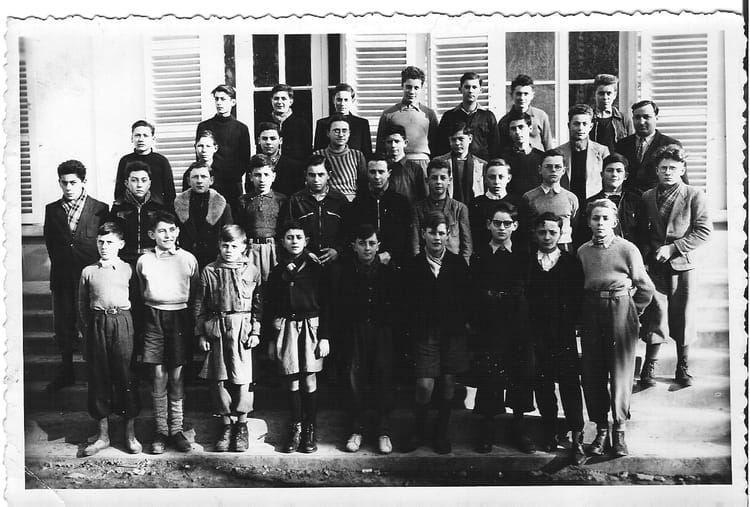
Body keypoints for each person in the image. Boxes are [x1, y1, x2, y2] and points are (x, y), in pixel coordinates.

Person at [577, 199, 655, 458]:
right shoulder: (583, 251)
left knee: (620, 372)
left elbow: (646, 287)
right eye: (595, 218)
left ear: (614, 221)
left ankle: (619, 431)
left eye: (605, 218)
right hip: (591, 311)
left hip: (620, 309)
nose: (600, 223)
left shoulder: (627, 248)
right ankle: (601, 430)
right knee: (592, 372)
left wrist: (632, 312)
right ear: (589, 222)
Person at [637, 145, 712, 388]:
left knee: (682, 315)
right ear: (656, 170)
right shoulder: (648, 197)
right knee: (655, 314)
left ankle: (683, 366)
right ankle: (650, 365)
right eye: (663, 168)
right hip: (655, 266)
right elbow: (643, 232)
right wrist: (647, 256)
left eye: (672, 168)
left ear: (682, 169)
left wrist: (672, 248)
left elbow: (704, 231)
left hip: (683, 265)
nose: (668, 172)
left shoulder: (694, 195)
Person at [470, 202, 535, 454]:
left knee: (520, 375)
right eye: (497, 223)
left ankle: (518, 427)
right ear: (489, 225)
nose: (501, 228)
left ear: (515, 226)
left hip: (517, 324)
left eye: (507, 223)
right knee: (490, 377)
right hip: (490, 326)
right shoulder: (479, 255)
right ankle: (487, 429)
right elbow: (474, 290)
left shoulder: (523, 254)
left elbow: (525, 288)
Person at [403, 211, 471, 454]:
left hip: (452, 334)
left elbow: (467, 300)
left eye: (441, 233)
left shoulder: (457, 264)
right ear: (423, 234)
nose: (437, 238)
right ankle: (418, 430)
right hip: (425, 335)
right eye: (432, 232)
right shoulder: (413, 266)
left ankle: (441, 432)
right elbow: (405, 304)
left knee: (449, 385)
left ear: (448, 235)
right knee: (424, 386)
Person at [264, 221, 331, 453]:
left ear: (306, 241)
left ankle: (310, 429)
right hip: (287, 327)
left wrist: (324, 337)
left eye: (299, 237)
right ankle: (296, 427)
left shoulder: (316, 269)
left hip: (311, 327)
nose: (294, 241)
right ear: (282, 241)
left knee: (309, 379)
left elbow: (327, 305)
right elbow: (270, 307)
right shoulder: (277, 272)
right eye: (289, 237)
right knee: (292, 378)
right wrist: (271, 340)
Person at [136, 210, 200, 454]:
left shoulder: (188, 259)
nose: (167, 235)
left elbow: (195, 294)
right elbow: (141, 292)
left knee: (176, 376)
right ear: (152, 234)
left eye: (172, 230)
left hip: (180, 318)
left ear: (178, 232)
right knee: (158, 375)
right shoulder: (144, 260)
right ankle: (161, 430)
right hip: (153, 317)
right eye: (161, 230)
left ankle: (176, 429)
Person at [195, 225, 263, 453]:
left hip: (242, 326)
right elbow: (200, 304)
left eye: (234, 246)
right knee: (219, 377)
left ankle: (242, 424)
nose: (229, 250)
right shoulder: (209, 270)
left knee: (243, 377)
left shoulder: (252, 270)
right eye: (225, 245)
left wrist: (255, 331)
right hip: (217, 326)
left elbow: (258, 305)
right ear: (219, 246)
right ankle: (225, 424)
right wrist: (201, 333)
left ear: (243, 247)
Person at [44, 160, 109, 391]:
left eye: (73, 182)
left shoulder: (100, 208)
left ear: (83, 182)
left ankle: (96, 372)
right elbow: (51, 243)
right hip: (62, 277)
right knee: (63, 325)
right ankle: (66, 371)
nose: (68, 187)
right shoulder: (52, 209)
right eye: (64, 183)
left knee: (92, 325)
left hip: (90, 277)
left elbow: (103, 242)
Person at [334, 225, 399, 455]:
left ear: (379, 246)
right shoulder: (345, 271)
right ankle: (357, 429)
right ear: (354, 246)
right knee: (355, 378)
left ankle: (384, 431)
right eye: (362, 244)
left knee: (383, 376)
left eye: (372, 243)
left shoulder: (388, 271)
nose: (367, 248)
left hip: (381, 330)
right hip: (355, 330)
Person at [77, 221, 141, 456]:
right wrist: (88, 330)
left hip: (122, 322)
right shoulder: (88, 271)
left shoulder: (128, 269)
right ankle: (103, 436)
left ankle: (130, 435)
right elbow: (82, 305)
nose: (104, 246)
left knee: (126, 375)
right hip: (97, 323)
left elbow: (138, 301)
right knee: (99, 376)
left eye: (110, 242)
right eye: (101, 242)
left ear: (121, 244)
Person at [526, 213, 585, 465]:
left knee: (569, 383)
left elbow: (578, 298)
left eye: (552, 232)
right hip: (537, 334)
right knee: (543, 382)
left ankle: (577, 436)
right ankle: (549, 429)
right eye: (542, 232)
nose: (547, 237)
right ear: (534, 234)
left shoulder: (570, 263)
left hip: (563, 334)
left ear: (561, 233)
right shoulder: (528, 262)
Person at [346, 155, 413, 268]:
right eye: (372, 172)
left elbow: (406, 234)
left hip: (395, 261)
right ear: (367, 173)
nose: (377, 177)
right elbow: (353, 232)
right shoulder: (358, 202)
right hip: (365, 262)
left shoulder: (401, 202)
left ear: (389, 173)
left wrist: (391, 253)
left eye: (381, 172)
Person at [375, 66, 439, 180]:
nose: (412, 91)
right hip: (397, 164)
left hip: (423, 164)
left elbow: (436, 146)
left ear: (421, 88)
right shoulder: (389, 114)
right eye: (408, 87)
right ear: (402, 86)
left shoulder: (429, 114)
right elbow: (380, 147)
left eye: (416, 87)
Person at [195, 85, 252, 211]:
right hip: (209, 183)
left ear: (233, 102)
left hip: (231, 185)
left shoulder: (241, 128)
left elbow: (244, 161)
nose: (219, 102)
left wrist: (229, 177)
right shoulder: (204, 126)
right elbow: (200, 158)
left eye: (223, 99)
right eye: (217, 99)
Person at [287, 154, 349, 267]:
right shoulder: (296, 200)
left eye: (321, 175)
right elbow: (289, 230)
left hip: (335, 261)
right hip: (305, 261)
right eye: (312, 175)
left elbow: (347, 230)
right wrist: (305, 252)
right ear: (305, 175)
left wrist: (337, 250)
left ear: (329, 175)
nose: (316, 179)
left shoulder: (339, 200)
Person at [615, 100, 685, 194]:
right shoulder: (622, 145)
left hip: (658, 199)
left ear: (656, 118)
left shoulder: (670, 144)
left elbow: (682, 183)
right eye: (637, 117)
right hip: (628, 200)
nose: (641, 122)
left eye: (646, 117)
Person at [236, 154, 288, 282]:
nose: (262, 179)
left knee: (274, 283)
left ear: (273, 176)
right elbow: (239, 228)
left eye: (266, 175)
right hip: (251, 250)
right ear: (250, 177)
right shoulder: (244, 200)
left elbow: (285, 228)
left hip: (274, 250)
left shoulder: (281, 200)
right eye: (257, 175)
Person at [573, 153, 642, 249]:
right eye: (610, 170)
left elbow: (643, 234)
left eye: (619, 171)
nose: (614, 174)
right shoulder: (591, 203)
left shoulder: (636, 201)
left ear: (625, 176)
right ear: (602, 174)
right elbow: (582, 235)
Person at [411, 158, 473, 265]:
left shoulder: (460, 208)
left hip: (453, 265)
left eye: (443, 178)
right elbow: (415, 244)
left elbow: (467, 244)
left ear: (449, 180)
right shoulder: (418, 209)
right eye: (434, 178)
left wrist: (463, 266)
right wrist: (421, 265)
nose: (438, 182)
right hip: (426, 264)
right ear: (427, 180)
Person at [173, 162, 233, 269]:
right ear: (188, 181)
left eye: (203, 177)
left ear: (211, 180)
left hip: (214, 262)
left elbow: (228, 236)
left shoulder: (222, 206)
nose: (199, 181)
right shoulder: (178, 205)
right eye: (195, 177)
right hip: (186, 261)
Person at [110, 161, 169, 265]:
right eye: (134, 180)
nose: (139, 185)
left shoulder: (159, 207)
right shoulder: (118, 207)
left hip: (153, 259)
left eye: (144, 180)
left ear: (149, 183)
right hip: (125, 259)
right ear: (126, 183)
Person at [522, 149, 579, 252]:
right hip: (537, 248)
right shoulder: (529, 197)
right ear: (540, 169)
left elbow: (574, 223)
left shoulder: (571, 198)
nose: (553, 170)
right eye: (548, 166)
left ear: (563, 170)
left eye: (557, 167)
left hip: (564, 248)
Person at [436, 72, 500, 160]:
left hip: (481, 164)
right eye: (467, 87)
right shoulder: (449, 116)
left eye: (474, 87)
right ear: (460, 89)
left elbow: (495, 147)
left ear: (480, 90)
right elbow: (441, 145)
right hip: (455, 163)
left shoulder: (488, 116)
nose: (470, 91)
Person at [555, 104, 610, 206]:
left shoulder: (602, 151)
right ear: (569, 125)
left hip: (593, 205)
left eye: (585, 124)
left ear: (591, 126)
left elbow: (607, 182)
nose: (580, 128)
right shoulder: (558, 152)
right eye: (576, 124)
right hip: (566, 204)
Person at [468, 158, 525, 254]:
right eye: (492, 177)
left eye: (501, 177)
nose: (496, 181)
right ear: (485, 178)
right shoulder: (475, 204)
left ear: (509, 178)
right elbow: (474, 235)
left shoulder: (519, 203)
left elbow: (522, 235)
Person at [114, 120, 176, 207]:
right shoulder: (125, 161)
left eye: (145, 136)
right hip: (131, 208)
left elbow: (170, 193)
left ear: (153, 139)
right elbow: (119, 192)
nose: (141, 139)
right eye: (137, 135)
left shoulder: (161, 161)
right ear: (132, 138)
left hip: (156, 209)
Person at [313, 114, 367, 201]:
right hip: (327, 200)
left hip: (351, 201)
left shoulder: (357, 155)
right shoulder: (318, 155)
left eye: (344, 131)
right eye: (336, 131)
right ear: (328, 133)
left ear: (349, 133)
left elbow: (363, 184)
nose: (341, 134)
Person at [313, 83, 373, 159]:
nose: (342, 103)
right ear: (333, 100)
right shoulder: (323, 123)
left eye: (346, 100)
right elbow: (318, 154)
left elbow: (367, 153)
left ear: (352, 101)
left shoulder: (361, 124)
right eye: (339, 100)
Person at [264, 84, 311, 177]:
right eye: (276, 98)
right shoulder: (265, 122)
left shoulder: (301, 124)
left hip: (294, 174)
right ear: (271, 100)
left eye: (283, 99)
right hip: (268, 174)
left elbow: (307, 153)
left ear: (291, 101)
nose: (279, 102)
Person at [433, 122, 486, 204]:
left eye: (461, 139)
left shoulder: (481, 164)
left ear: (470, 139)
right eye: (453, 139)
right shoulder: (439, 162)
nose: (457, 143)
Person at [498, 74, 552, 153]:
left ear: (532, 95)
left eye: (526, 94)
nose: (522, 98)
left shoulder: (541, 116)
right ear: (512, 95)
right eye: (518, 94)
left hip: (538, 159)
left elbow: (548, 147)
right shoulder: (504, 121)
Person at [253, 121, 303, 198]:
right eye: (265, 138)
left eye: (273, 138)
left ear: (280, 141)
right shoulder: (253, 164)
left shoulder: (293, 167)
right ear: (259, 140)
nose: (268, 142)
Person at [501, 110, 544, 197]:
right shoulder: (503, 158)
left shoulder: (541, 157)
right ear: (509, 132)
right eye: (513, 129)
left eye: (521, 127)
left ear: (530, 128)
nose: (517, 132)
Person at [589, 74, 634, 154]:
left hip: (617, 160)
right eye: (601, 93)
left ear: (614, 95)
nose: (605, 97)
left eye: (609, 93)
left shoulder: (623, 120)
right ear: (594, 94)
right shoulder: (588, 119)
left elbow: (631, 146)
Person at [383, 125, 427, 204]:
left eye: (397, 141)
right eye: (389, 142)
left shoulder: (415, 169)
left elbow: (423, 197)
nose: (393, 145)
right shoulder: (381, 169)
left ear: (405, 143)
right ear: (384, 144)